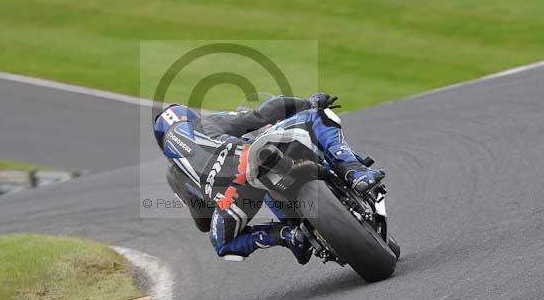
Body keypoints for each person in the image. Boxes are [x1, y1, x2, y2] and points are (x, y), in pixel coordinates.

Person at [153, 94, 384, 264]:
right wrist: (308, 102)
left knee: (223, 244)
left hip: (231, 198)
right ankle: (354, 170)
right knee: (316, 116)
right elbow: (261, 115)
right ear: (189, 117)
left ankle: (288, 236)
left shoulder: (174, 175)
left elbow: (203, 222)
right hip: (249, 161)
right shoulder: (205, 123)